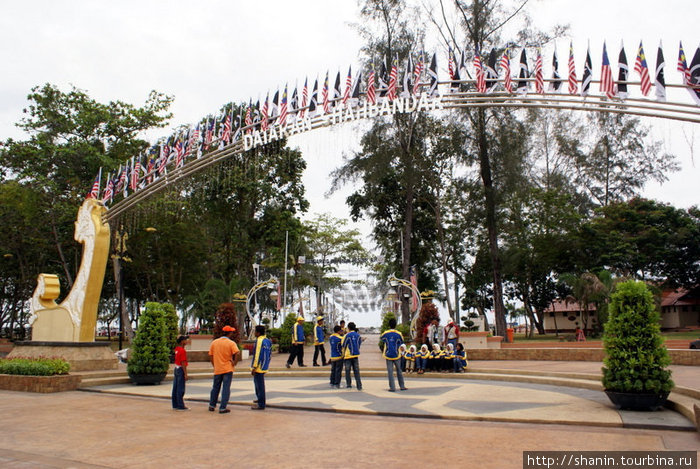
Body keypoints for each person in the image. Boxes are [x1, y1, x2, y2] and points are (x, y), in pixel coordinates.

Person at [208, 325, 240, 414]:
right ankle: (222, 407)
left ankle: (212, 405)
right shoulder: (231, 343)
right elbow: (237, 353)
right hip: (227, 368)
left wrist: (214, 364)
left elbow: (210, 355)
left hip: (218, 368)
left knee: (215, 387)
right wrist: (234, 362)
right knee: (226, 388)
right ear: (229, 333)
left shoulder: (214, 342)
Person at [379, 318, 407, 392]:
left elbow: (382, 338)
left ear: (389, 325)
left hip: (388, 354)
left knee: (390, 372)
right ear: (395, 325)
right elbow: (402, 341)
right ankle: (402, 386)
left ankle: (392, 387)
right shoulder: (399, 334)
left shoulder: (385, 333)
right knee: (399, 370)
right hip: (397, 354)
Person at [250, 325, 272, 410]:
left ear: (258, 333)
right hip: (264, 365)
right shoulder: (267, 340)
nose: (254, 333)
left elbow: (257, 355)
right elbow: (269, 354)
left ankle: (261, 403)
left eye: (255, 331)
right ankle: (259, 398)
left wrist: (254, 367)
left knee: (259, 385)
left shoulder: (259, 340)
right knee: (258, 384)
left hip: (259, 366)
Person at [341, 322, 362, 390]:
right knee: (356, 371)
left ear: (348, 328)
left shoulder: (347, 335)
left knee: (347, 371)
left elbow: (344, 345)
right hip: (355, 355)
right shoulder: (358, 335)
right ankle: (359, 386)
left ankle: (349, 385)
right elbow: (359, 344)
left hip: (348, 356)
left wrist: (343, 354)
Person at [171, 334, 190, 411]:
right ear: (182, 342)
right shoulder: (182, 351)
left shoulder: (177, 349)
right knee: (180, 388)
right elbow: (183, 362)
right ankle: (180, 405)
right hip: (180, 369)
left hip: (176, 368)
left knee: (175, 387)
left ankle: (175, 404)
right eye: (185, 340)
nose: (186, 341)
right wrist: (185, 373)